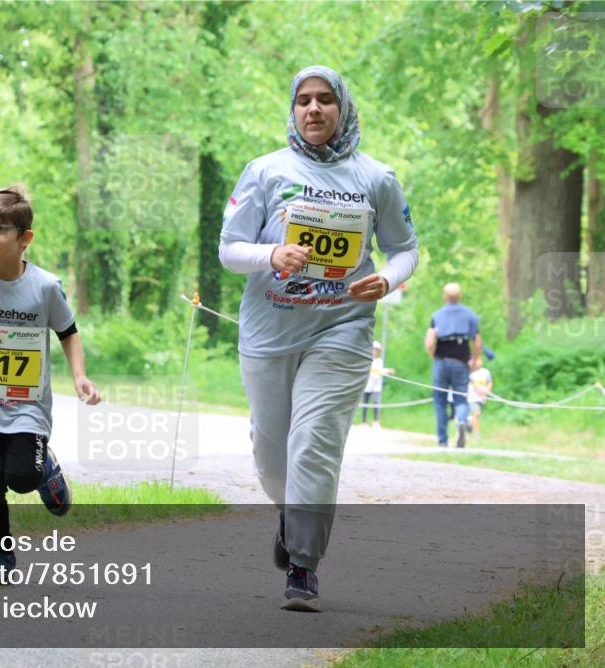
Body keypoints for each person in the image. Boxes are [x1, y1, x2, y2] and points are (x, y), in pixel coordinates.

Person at [219, 66, 418, 612]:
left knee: (314, 444)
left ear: (343, 108)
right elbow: (230, 249)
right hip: (269, 330)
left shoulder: (376, 178)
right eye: (304, 100)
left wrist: (389, 278)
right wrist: (272, 254)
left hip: (342, 328)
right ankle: (290, 516)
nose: (313, 109)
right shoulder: (264, 172)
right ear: (293, 109)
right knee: (271, 454)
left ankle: (303, 566)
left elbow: (405, 249)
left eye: (325, 100)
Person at [0, 186, 101, 583]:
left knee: (21, 478)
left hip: (26, 406)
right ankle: (0, 553)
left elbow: (68, 330)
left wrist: (79, 375)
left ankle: (45, 471)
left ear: (24, 239)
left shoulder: (44, 287)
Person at [425, 283, 481, 448]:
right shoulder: (470, 315)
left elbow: (429, 342)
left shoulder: (437, 315)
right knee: (461, 398)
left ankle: (442, 440)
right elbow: (477, 341)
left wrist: (435, 356)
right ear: (460, 296)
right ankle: (462, 422)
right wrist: (475, 360)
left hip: (441, 361)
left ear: (445, 296)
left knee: (440, 401)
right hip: (461, 361)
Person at [361, 341, 394, 429]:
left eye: (376, 350)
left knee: (376, 403)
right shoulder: (366, 360)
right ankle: (363, 422)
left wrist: (387, 371)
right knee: (365, 404)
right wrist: (386, 370)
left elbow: (379, 371)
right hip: (367, 386)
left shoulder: (379, 361)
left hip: (376, 387)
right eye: (373, 350)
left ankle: (376, 421)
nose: (374, 352)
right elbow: (374, 370)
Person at [467, 357, 493, 440]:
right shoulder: (470, 372)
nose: (479, 362)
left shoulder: (485, 372)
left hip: (482, 398)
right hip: (472, 398)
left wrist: (487, 391)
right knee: (476, 413)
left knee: (476, 415)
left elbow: (489, 382)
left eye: (480, 360)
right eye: (476, 360)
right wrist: (479, 391)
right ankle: (476, 433)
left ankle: (469, 424)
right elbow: (471, 384)